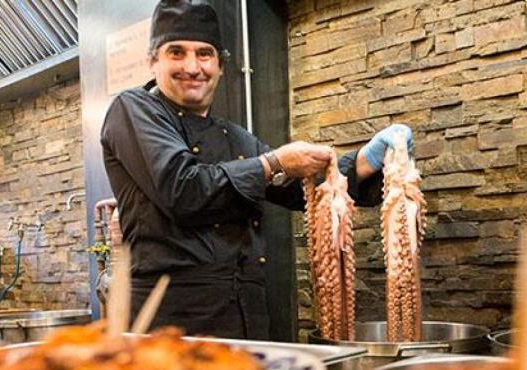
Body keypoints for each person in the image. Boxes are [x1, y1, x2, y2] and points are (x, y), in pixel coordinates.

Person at [100, 0, 412, 339]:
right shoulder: (132, 109)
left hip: (245, 317)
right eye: (176, 52)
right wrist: (274, 162)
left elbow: (297, 189)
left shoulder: (235, 136)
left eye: (205, 54)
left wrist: (370, 158)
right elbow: (183, 188)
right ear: (152, 60)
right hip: (170, 323)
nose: (192, 66)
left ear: (220, 65)